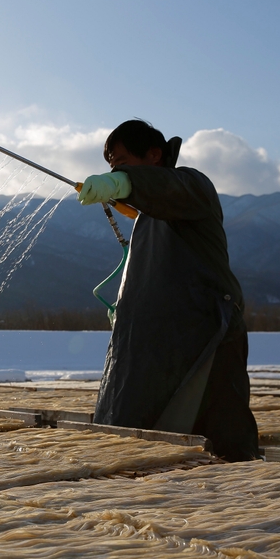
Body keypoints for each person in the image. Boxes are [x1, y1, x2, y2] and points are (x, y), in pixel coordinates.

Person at [77, 119, 259, 462]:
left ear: (154, 154)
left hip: (206, 332)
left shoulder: (193, 187)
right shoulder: (146, 219)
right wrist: (124, 308)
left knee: (222, 439)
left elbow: (165, 188)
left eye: (121, 162)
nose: (115, 170)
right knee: (143, 439)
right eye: (111, 166)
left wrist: (124, 182)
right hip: (153, 343)